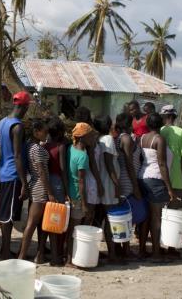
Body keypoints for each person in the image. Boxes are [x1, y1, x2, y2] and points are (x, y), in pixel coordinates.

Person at [0, 91, 31, 260]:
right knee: (8, 216)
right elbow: (17, 155)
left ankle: (5, 248)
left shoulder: (2, 122)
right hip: (13, 174)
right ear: (24, 107)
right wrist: (24, 183)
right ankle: (5, 250)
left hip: (4, 172)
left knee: (6, 215)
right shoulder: (17, 127)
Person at [18, 119, 58, 264]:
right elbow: (42, 172)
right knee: (32, 224)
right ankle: (21, 256)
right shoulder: (38, 149)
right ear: (36, 132)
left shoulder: (30, 146)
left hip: (35, 185)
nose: (47, 135)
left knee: (37, 224)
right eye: (45, 131)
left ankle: (33, 255)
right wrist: (51, 193)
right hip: (40, 188)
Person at [138, 112, 175, 262]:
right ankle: (156, 254)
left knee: (146, 218)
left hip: (142, 177)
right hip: (155, 180)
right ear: (160, 125)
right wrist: (170, 188)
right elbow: (162, 164)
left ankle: (141, 250)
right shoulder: (159, 139)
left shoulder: (142, 138)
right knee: (156, 218)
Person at [90, 115, 120, 264]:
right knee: (110, 221)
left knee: (99, 219)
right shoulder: (108, 139)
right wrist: (117, 184)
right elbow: (109, 163)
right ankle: (112, 254)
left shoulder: (99, 139)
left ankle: (93, 251)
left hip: (101, 184)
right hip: (108, 185)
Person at [113, 112, 142, 259]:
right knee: (127, 217)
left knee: (122, 215)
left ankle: (120, 247)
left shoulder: (117, 138)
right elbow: (130, 164)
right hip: (127, 179)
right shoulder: (126, 139)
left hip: (122, 178)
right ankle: (125, 249)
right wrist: (135, 186)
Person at [40, 116, 68, 265]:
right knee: (56, 221)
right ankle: (56, 256)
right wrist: (67, 190)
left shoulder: (44, 146)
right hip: (57, 183)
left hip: (46, 183)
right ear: (60, 132)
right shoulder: (60, 146)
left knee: (46, 221)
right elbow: (63, 170)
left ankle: (42, 252)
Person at [66, 122, 93, 266]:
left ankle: (69, 256)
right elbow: (81, 181)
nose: (92, 138)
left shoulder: (71, 149)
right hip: (77, 195)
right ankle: (69, 259)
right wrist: (84, 204)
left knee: (70, 228)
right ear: (82, 137)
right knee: (74, 229)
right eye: (90, 135)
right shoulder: (83, 156)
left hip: (69, 192)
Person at [160, 105, 182, 211]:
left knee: (161, 214)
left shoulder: (159, 131)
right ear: (174, 117)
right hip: (177, 179)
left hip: (161, 178)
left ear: (164, 117)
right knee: (175, 212)